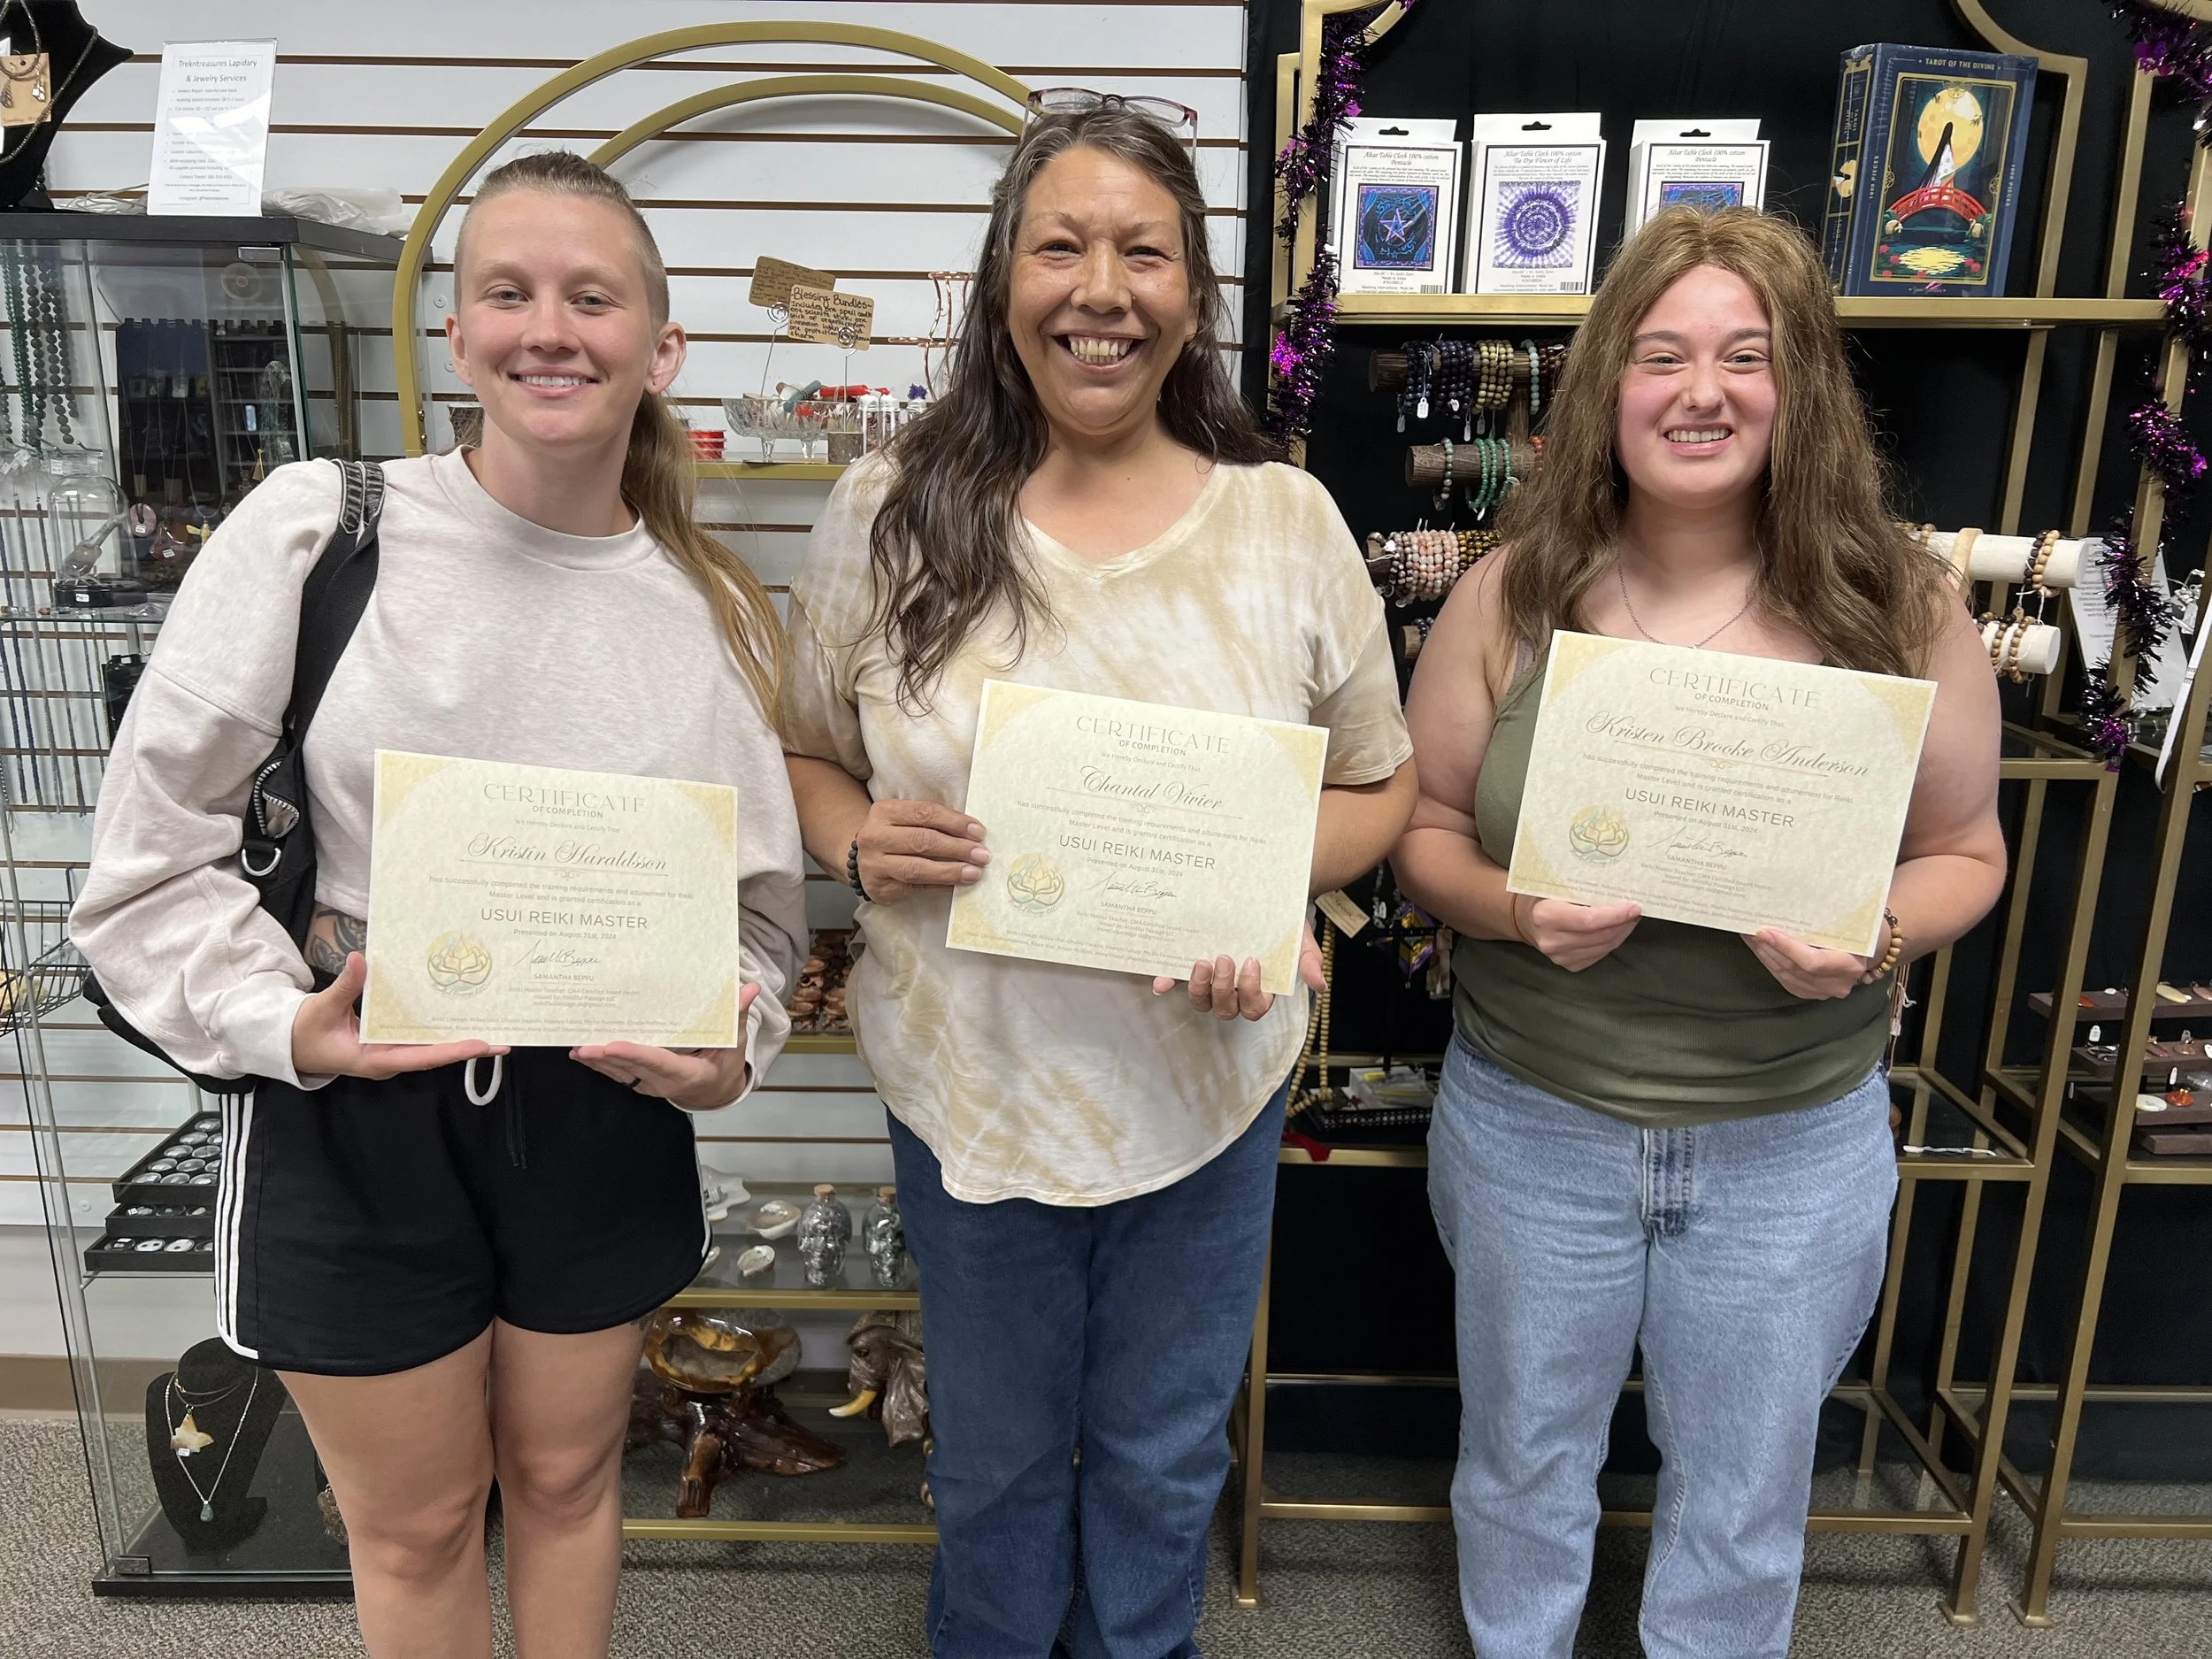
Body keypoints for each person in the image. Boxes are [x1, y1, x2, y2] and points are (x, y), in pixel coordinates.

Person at [72, 152, 803, 1659]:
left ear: (660, 348)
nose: (551, 329)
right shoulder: (320, 533)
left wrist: (737, 1042)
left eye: (593, 298)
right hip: (360, 1113)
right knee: (410, 1527)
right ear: (457, 337)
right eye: (508, 292)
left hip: (599, 1110)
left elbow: (758, 917)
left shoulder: (709, 606)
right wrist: (286, 1024)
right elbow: (143, 873)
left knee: (568, 1473)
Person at [782, 101, 1417, 1657]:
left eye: (1145, 251)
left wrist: (1271, 885)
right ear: (1006, 279)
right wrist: (853, 839)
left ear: (1195, 296)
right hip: (972, 1086)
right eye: (1059, 245)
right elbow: (803, 756)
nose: (1100, 288)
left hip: (1203, 1083)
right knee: (993, 1465)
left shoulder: (1284, 522)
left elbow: (1381, 783)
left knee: (1160, 1457)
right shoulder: (889, 507)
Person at [1392, 205, 2005, 1659]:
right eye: (1662, 356)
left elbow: (1967, 851)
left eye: (1746, 355)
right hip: (1538, 1122)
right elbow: (1423, 832)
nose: (1702, 390)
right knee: (1523, 1467)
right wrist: (1516, 913)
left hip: (1790, 1140)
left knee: (1741, 1497)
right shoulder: (1509, 596)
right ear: (1610, 385)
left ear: (1801, 390)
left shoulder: (1899, 607)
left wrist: (1873, 936)